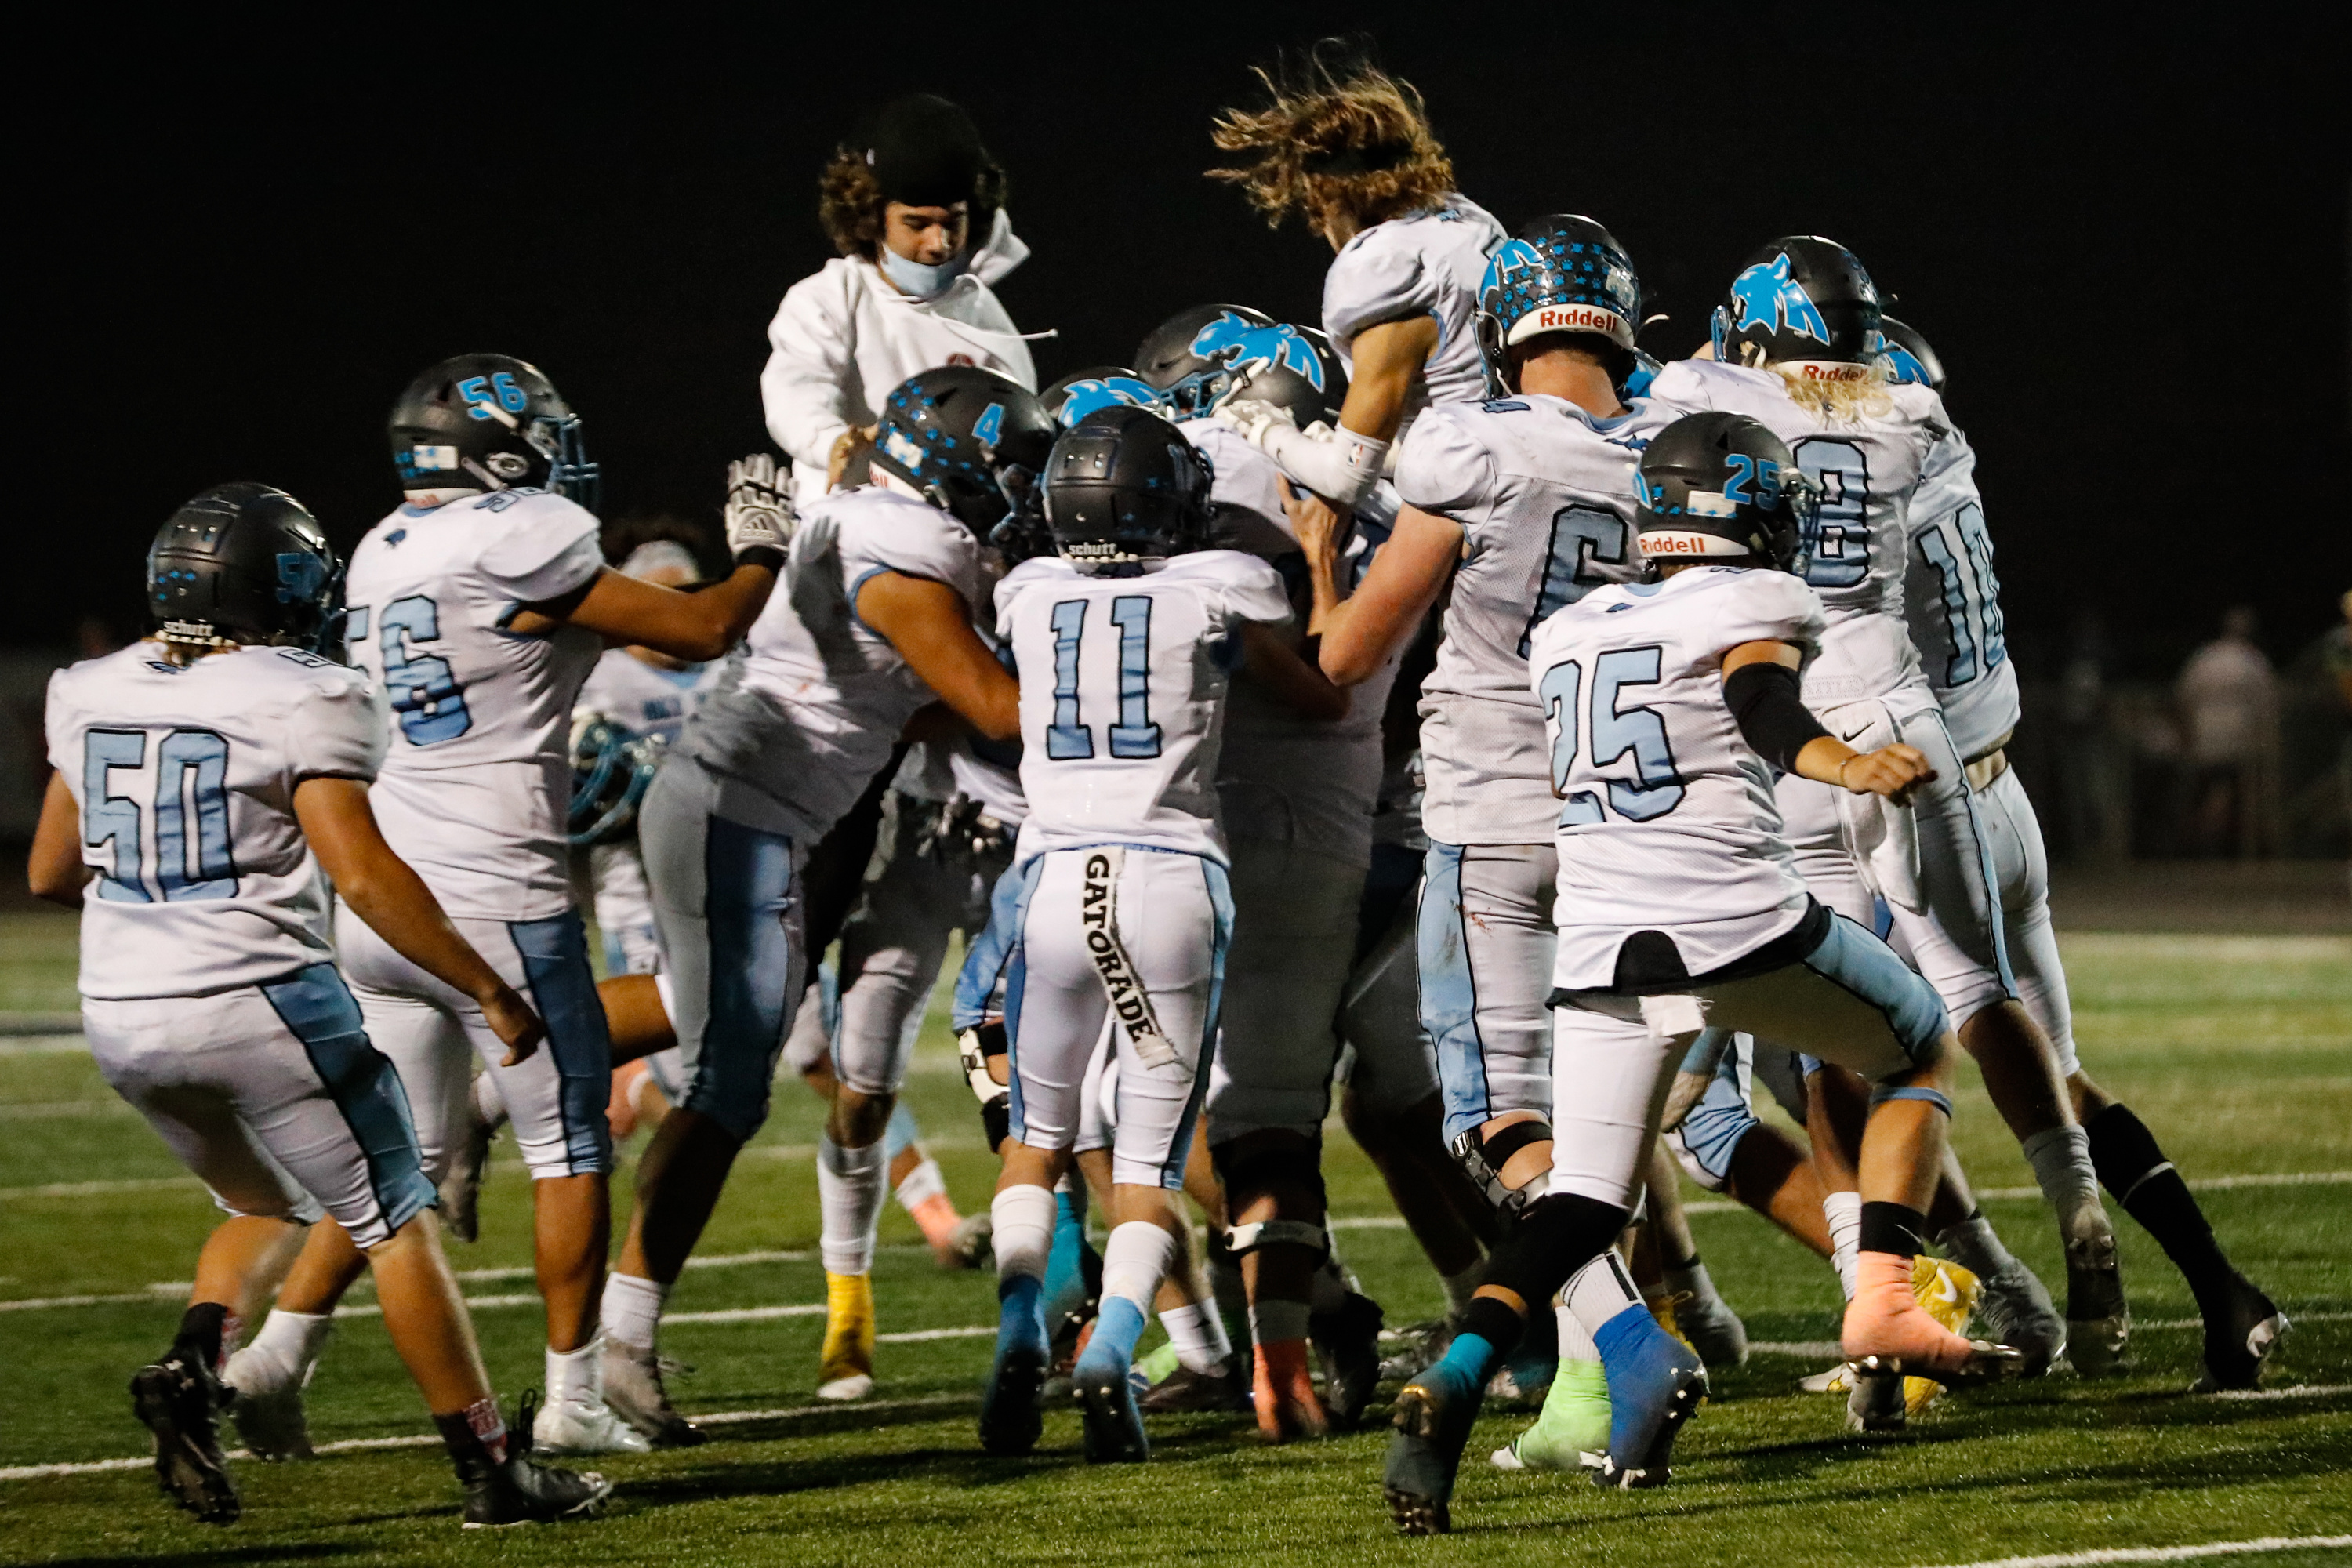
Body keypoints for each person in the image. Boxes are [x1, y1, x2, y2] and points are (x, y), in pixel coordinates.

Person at [1381, 414, 2024, 1535]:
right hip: (1737, 920)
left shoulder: (1573, 626)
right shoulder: (1756, 601)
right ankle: (1881, 1304)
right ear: (1755, 503)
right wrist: (1849, 762)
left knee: (1582, 1200)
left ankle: (1454, 1377)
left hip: (1599, 950)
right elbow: (1762, 707)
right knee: (1919, 1044)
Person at [222, 357, 782, 1461]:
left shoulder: (385, 543)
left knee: (401, 1160)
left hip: (387, 893)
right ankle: (574, 1401)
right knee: (571, 1149)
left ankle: (273, 1358)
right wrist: (763, 543)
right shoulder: (518, 530)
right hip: (499, 897)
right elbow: (707, 629)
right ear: (504, 449)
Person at [31, 485, 608, 1527]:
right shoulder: (307, 693)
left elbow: (47, 868)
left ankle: (194, 1361)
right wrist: (486, 987)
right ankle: (491, 1472)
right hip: (260, 999)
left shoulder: (86, 685)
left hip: (119, 1009)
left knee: (262, 1206)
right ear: (283, 587)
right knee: (396, 1220)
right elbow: (368, 878)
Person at [1650, 240, 2125, 1376]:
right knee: (1980, 993)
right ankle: (2084, 1223)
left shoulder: (1706, 390)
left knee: (1829, 1053)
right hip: (1913, 724)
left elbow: (1678, 389)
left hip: (1801, 734)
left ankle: (1888, 1291)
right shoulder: (1917, 418)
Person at [1294, 216, 1697, 1465]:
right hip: (1636, 820)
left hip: (1492, 815)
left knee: (1493, 1118)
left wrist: (1316, 564)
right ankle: (1589, 1381)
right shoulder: (1669, 449)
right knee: (1600, 1120)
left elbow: (1351, 656)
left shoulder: (1473, 448)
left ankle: (1626, 1339)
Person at [605, 366, 1045, 1432]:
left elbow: (901, 711)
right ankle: (620, 1336)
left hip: (756, 813)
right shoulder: (906, 557)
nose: (1014, 489)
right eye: (1005, 465)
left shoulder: (869, 520)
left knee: (721, 1033)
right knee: (728, 1084)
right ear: (955, 459)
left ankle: (510, 1051)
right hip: (738, 813)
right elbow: (995, 708)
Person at [1885, 324, 2285, 1390]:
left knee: (1888, 1051)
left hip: (1933, 811)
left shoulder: (1865, 496)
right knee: (2058, 1071)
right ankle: (2223, 1291)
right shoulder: (1947, 458)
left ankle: (1911, 1308)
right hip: (2005, 791)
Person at [976, 405, 1346, 1463]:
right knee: (1145, 1162)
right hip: (1168, 879)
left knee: (1034, 1141)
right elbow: (1319, 696)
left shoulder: (1026, 591)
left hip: (1052, 884)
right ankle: (1113, 1352)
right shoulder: (1222, 584)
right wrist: (1320, 560)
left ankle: (1016, 1327)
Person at [1207, 49, 1504, 542]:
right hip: (1519, 466)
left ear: (1329, 194)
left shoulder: (1383, 267)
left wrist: (1264, 431)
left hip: (1470, 523)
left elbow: (1348, 479)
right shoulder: (1469, 219)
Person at [763, 93, 1037, 513]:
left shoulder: (985, 315)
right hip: (851, 532)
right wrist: (830, 439)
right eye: (917, 224)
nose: (938, 243)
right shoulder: (827, 300)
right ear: (872, 216)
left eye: (952, 223)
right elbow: (795, 390)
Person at [2175, 604, 2281, 856]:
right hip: (2239, 745)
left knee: (2210, 794)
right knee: (2235, 797)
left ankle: (2200, 846)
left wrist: (2189, 736)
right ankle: (2233, 849)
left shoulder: (2204, 657)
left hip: (2204, 742)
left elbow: (2183, 698)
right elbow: (2266, 709)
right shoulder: (2253, 661)